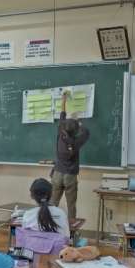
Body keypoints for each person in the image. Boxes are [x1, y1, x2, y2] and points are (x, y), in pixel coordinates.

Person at [51, 92, 90, 220]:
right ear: (75, 130)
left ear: (63, 128)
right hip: (70, 176)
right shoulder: (76, 142)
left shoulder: (60, 134)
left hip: (57, 173)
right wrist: (79, 122)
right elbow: (86, 132)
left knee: (52, 203)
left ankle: (48, 225)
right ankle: (71, 228)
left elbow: (62, 115)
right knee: (71, 205)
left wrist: (63, 100)